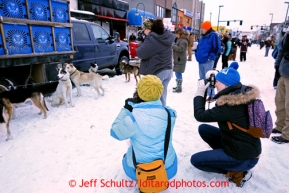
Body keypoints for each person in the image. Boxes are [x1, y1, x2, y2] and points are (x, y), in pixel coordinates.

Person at [191, 62, 261, 187]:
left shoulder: (230, 106)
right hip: (245, 146)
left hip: (243, 157)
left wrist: (199, 93)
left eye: (218, 82)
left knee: (196, 160)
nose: (215, 84)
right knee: (204, 129)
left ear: (226, 85)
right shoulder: (240, 94)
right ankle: (225, 157)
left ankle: (236, 169)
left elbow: (200, 115)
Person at [110, 75, 178, 182]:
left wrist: (126, 109)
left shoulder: (132, 118)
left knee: (127, 154)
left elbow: (114, 132)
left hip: (139, 171)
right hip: (168, 169)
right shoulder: (170, 114)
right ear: (159, 92)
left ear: (139, 92)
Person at [136, 19, 175, 106]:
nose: (143, 31)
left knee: (154, 98)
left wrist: (142, 41)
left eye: (144, 29)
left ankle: (157, 116)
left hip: (158, 71)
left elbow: (140, 53)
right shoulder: (165, 35)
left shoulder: (152, 38)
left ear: (149, 29)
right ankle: (162, 115)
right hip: (167, 70)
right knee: (162, 96)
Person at [195, 21, 221, 102]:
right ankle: (204, 93)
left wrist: (210, 58)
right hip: (201, 60)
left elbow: (217, 48)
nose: (201, 29)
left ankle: (212, 95)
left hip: (208, 61)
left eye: (203, 28)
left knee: (209, 78)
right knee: (202, 79)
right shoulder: (203, 36)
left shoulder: (213, 35)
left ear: (207, 28)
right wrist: (196, 54)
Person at [271, 32, 289, 144]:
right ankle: (280, 125)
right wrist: (277, 66)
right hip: (283, 72)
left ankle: (287, 134)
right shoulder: (288, 36)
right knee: (280, 101)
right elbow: (281, 51)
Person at [172, 28, 189, 93]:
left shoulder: (183, 40)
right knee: (177, 72)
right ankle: (178, 86)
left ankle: (179, 87)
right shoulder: (181, 39)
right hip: (179, 58)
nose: (176, 35)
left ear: (179, 33)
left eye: (176, 34)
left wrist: (173, 46)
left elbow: (181, 49)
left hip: (180, 59)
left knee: (178, 73)